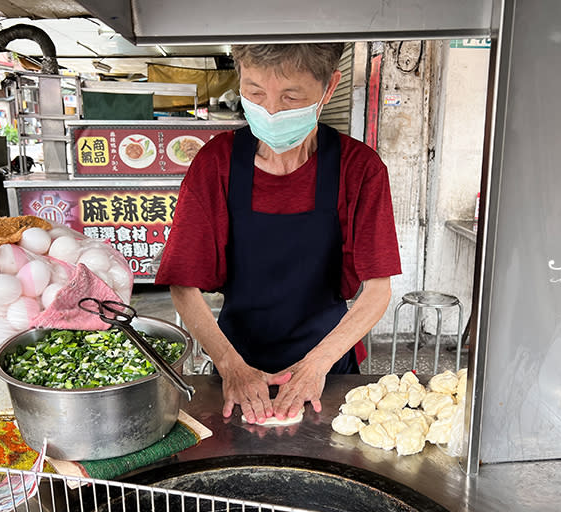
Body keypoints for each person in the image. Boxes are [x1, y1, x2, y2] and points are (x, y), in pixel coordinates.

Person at [155, 43, 401, 424]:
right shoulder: (216, 164)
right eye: (255, 92)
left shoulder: (359, 169)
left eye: (290, 96)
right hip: (235, 363)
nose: (270, 110)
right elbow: (183, 287)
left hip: (329, 368)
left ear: (329, 87)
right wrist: (230, 365)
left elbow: (378, 290)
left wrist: (315, 365)